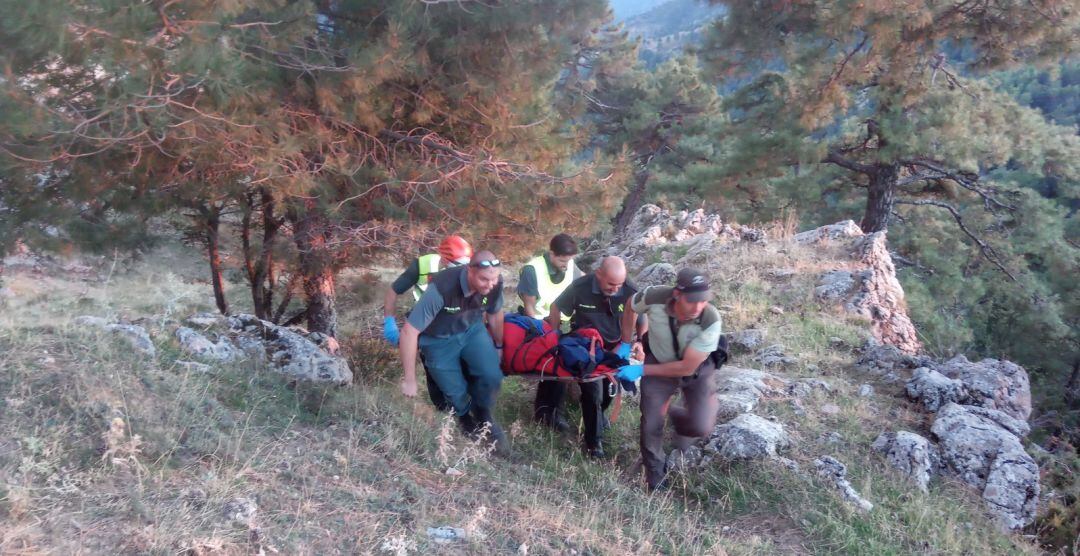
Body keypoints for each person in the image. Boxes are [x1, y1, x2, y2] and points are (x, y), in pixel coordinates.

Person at [617, 268, 723, 491]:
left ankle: (676, 415)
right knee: (651, 423)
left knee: (701, 425)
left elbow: (686, 367)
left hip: (697, 368)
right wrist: (626, 342)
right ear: (676, 294)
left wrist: (641, 371)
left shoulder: (710, 320)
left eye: (703, 301)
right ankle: (655, 477)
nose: (697, 307)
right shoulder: (654, 296)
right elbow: (630, 305)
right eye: (691, 300)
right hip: (658, 357)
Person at [398, 251, 509, 453]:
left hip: (471, 331)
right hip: (437, 340)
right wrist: (410, 379)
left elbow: (495, 314)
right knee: (454, 390)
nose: (489, 284)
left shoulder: (495, 283)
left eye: (494, 279)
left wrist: (499, 346)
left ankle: (483, 414)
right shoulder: (442, 288)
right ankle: (465, 418)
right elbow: (409, 331)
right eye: (484, 279)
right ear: (469, 271)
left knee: (491, 374)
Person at [535, 256, 644, 459]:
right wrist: (555, 335)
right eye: (611, 284)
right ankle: (593, 444)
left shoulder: (629, 289)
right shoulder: (581, 286)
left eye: (619, 284)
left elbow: (641, 316)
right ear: (599, 274)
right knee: (593, 391)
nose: (615, 289)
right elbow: (556, 307)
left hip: (614, 348)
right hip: (585, 346)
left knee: (608, 393)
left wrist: (639, 341)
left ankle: (597, 416)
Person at [383, 235, 473, 411]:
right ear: (444, 259)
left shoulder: (471, 271)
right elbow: (393, 291)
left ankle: (465, 415)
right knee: (437, 379)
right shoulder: (423, 265)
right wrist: (389, 322)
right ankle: (446, 417)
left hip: (458, 325)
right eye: (456, 265)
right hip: (427, 325)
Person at [517, 233, 583, 322]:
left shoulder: (569, 264)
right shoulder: (531, 271)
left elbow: (584, 280)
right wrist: (536, 329)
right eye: (562, 261)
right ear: (551, 254)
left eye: (569, 260)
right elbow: (529, 308)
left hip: (561, 321)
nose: (566, 266)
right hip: (539, 322)